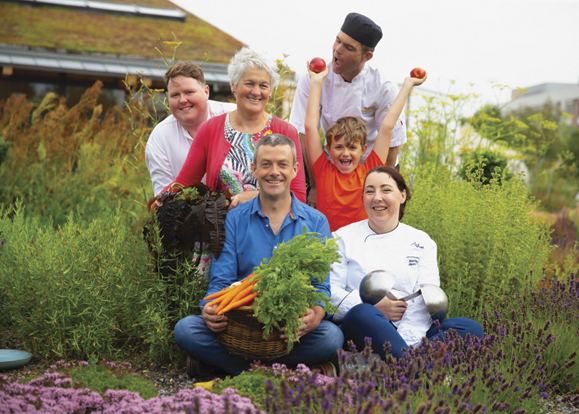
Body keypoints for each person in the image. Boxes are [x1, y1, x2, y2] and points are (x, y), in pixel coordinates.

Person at [174, 134, 344, 376]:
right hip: (241, 325)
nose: (274, 172)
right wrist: (209, 308)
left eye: (282, 164)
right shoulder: (234, 219)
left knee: (331, 337)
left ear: (295, 169)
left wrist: (316, 314)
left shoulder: (316, 221)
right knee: (186, 329)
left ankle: (234, 368)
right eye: (266, 164)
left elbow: (320, 287)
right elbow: (221, 281)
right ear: (254, 169)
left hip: (288, 328)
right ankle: (284, 372)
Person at [330, 166, 483, 359]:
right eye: (369, 191)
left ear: (402, 195)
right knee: (361, 313)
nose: (377, 197)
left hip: (412, 326)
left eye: (386, 190)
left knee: (469, 329)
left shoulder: (422, 241)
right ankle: (418, 370)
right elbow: (331, 295)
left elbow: (426, 299)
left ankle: (403, 364)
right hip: (364, 326)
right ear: (363, 199)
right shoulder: (342, 238)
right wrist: (376, 308)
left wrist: (407, 341)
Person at [289, 12, 407, 208]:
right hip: (329, 169)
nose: (337, 50)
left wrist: (380, 189)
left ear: (366, 56)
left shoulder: (383, 85)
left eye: (348, 48)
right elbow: (304, 131)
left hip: (375, 166)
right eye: (338, 41)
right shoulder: (314, 78)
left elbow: (392, 141)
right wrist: (316, 186)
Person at [165, 47, 307, 207]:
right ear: (233, 85)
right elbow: (184, 184)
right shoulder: (210, 129)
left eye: (263, 86)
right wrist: (158, 202)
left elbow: (299, 196)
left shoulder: (286, 132)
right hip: (222, 229)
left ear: (271, 92)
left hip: (273, 229)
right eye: (249, 83)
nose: (256, 92)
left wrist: (259, 198)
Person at [304, 63, 425, 232]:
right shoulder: (323, 170)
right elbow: (310, 126)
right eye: (338, 147)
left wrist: (407, 85)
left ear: (363, 150)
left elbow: (387, 127)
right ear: (328, 149)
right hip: (330, 247)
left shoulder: (369, 171)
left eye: (352, 148)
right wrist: (316, 81)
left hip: (362, 246)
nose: (345, 153)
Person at [145, 61, 236, 196]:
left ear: (206, 92)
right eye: (175, 95)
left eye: (189, 92)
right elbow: (163, 199)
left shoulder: (234, 117)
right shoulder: (159, 138)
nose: (182, 100)